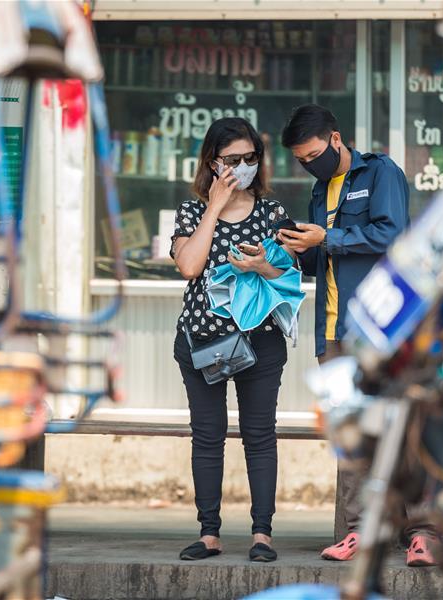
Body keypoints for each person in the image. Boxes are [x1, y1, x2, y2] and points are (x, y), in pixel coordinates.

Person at [278, 104, 437, 567]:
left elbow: (391, 234)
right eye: (301, 159)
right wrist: (288, 250)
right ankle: (358, 532)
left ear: (335, 138)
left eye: (312, 154)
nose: (309, 163)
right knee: (350, 436)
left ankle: (423, 533)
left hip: (384, 328)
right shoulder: (317, 192)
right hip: (334, 331)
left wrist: (324, 237)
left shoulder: (381, 171)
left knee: (403, 429)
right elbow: (319, 260)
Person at [171, 117, 293, 563]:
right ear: (212, 162)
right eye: (232, 160)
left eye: (249, 159)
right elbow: (188, 266)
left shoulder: (272, 212)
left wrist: (263, 265)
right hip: (204, 340)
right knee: (207, 436)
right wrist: (214, 207)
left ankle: (262, 534)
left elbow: (289, 275)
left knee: (260, 435)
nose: (242, 167)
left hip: (260, 341)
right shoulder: (190, 210)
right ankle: (209, 534)